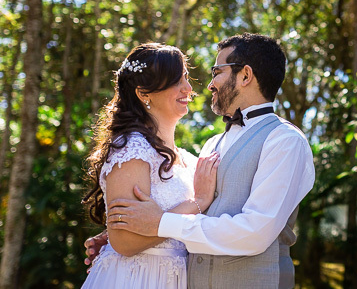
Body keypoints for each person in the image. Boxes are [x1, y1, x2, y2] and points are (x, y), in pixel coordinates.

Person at [89, 33, 315, 289]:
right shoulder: (211, 145)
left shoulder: (285, 140)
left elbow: (255, 232)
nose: (208, 85)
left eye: (217, 72)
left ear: (245, 76)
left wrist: (158, 224)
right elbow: (193, 210)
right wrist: (121, 238)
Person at [82, 43, 221, 289]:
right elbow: (125, 242)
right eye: (175, 81)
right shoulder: (132, 150)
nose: (188, 88)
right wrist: (197, 203)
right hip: (136, 279)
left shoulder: (189, 160)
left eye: (186, 78)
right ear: (144, 93)